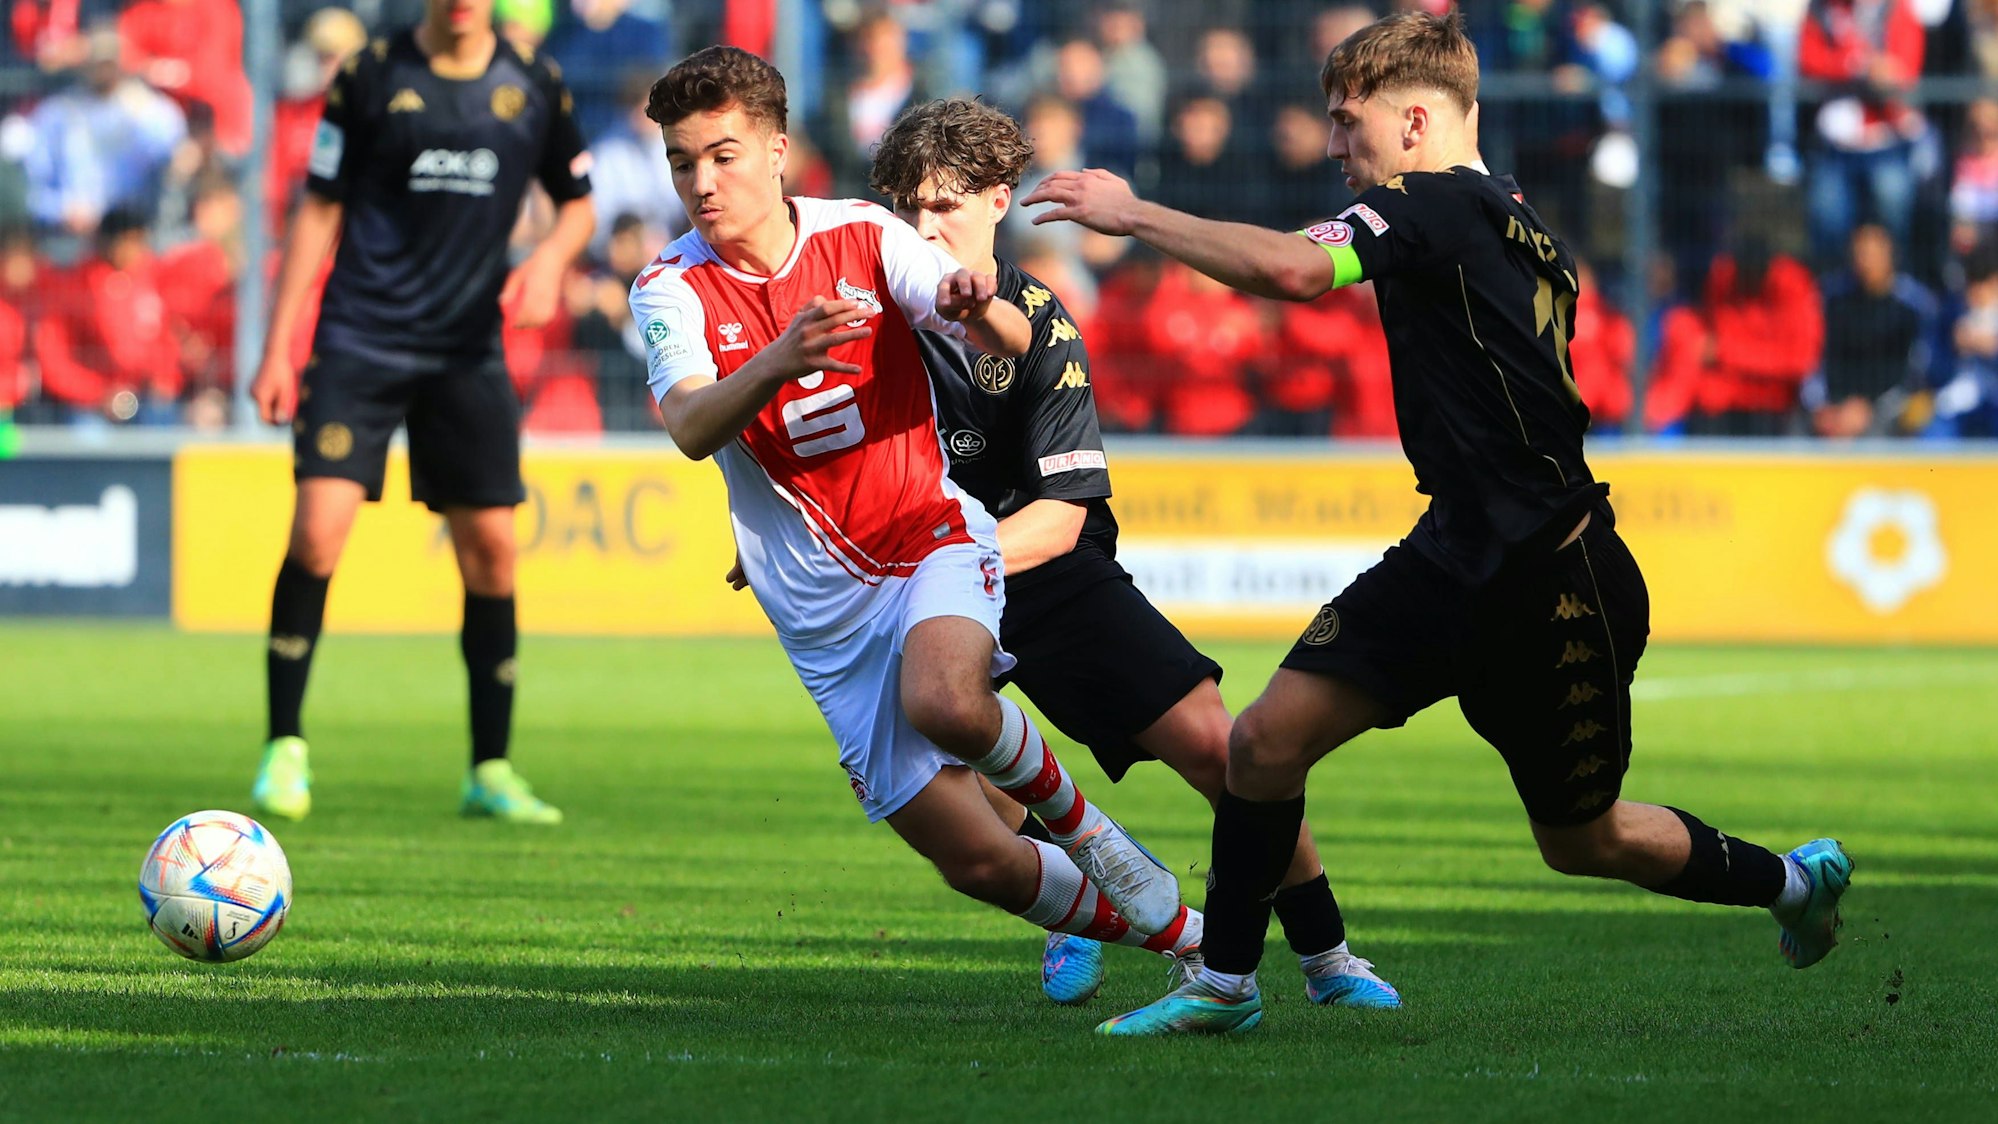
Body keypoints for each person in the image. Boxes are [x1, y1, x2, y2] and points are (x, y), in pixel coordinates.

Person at [1025, 10, 1855, 1036]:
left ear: (1414, 122)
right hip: (1455, 553)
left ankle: (1792, 883)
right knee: (1265, 743)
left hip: (1552, 578)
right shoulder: (1510, 217)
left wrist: (1134, 212)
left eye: (1348, 121)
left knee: (1583, 839)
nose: (1334, 146)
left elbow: (1293, 271)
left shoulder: (1435, 202)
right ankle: (1227, 982)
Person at [630, 47, 1195, 969]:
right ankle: (1190, 942)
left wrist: (978, 304)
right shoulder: (667, 286)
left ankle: (1093, 834)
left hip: (927, 534)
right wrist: (778, 359)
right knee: (979, 863)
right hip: (819, 613)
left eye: (723, 156)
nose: (702, 182)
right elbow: (692, 425)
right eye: (682, 162)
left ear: (776, 151)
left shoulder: (861, 234)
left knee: (948, 702)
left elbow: (1006, 336)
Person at [870, 97, 1400, 1009]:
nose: (924, 228)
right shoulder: (866, 315)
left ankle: (1327, 955)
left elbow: (1060, 519)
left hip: (1039, 568)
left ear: (998, 200)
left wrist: (940, 564)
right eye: (908, 207)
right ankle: (1085, 894)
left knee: (1223, 750)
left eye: (945, 205)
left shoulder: (1039, 320)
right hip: (914, 584)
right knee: (963, 785)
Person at [246, 0, 596, 825]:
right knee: (317, 533)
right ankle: (283, 746)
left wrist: (549, 261)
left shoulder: (533, 81)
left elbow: (578, 201)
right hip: (360, 337)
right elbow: (319, 206)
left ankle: (491, 768)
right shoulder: (371, 74)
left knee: (493, 553)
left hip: (467, 349)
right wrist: (276, 345)